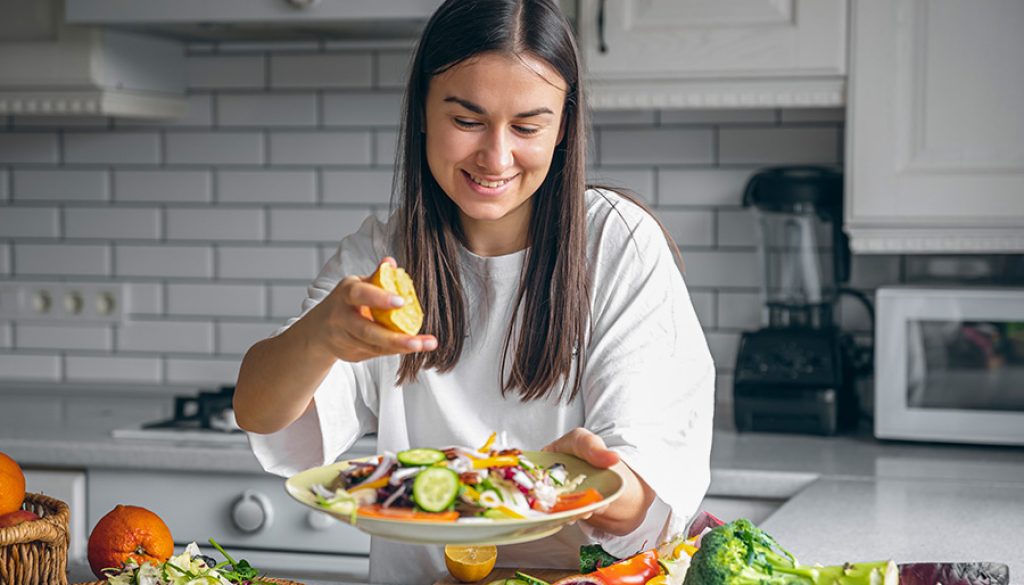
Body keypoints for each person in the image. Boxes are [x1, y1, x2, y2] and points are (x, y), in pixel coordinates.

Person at [233, 0, 715, 582]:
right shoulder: (384, 255)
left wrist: (593, 484)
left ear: (563, 128)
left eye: (528, 127)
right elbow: (259, 412)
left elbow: (651, 502)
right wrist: (318, 338)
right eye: (467, 121)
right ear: (422, 113)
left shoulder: (616, 243)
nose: (496, 156)